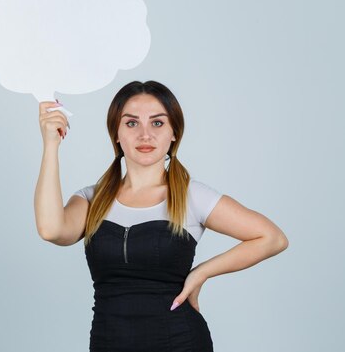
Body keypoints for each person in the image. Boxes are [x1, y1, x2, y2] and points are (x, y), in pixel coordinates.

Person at [33, 80, 289, 351]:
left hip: (180, 342)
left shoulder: (191, 196)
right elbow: (51, 230)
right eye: (131, 123)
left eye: (157, 123)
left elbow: (272, 238)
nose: (145, 135)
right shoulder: (91, 199)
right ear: (116, 133)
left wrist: (202, 272)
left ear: (174, 133)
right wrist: (51, 145)